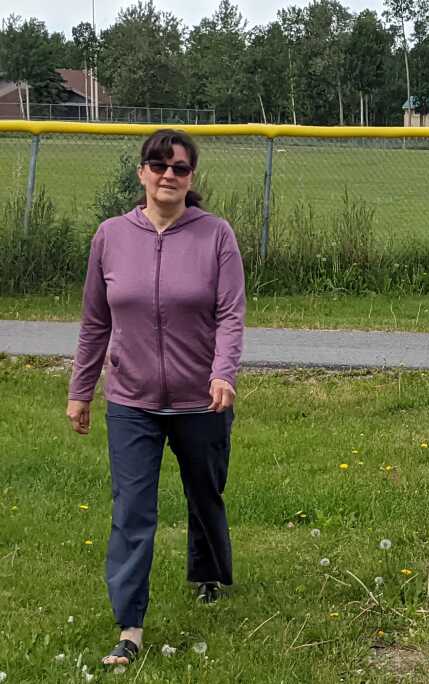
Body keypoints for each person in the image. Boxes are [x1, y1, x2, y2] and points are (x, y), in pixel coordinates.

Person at [66, 129, 246, 666]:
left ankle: (208, 571)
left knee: (205, 495)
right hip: (131, 401)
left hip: (201, 400)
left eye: (180, 168)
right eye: (158, 164)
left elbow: (230, 314)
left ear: (192, 179)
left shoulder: (216, 235)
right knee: (132, 511)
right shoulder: (110, 236)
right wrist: (81, 391)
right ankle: (130, 628)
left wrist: (222, 373)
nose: (168, 175)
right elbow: (95, 321)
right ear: (141, 172)